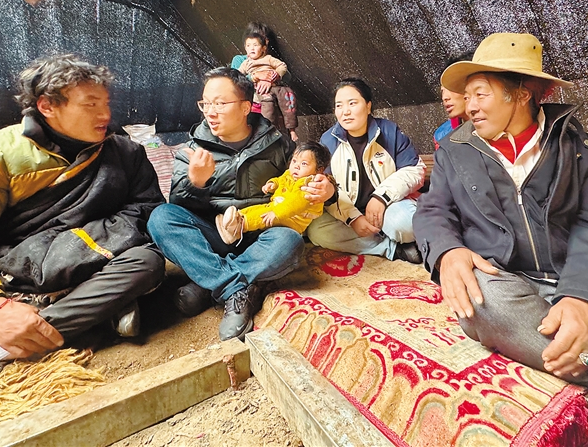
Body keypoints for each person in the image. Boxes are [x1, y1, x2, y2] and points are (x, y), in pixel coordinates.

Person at [414, 32, 588, 446]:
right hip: (504, 281)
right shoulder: (455, 149)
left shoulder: (583, 151)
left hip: (574, 276)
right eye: (467, 97)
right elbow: (434, 210)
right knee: (479, 297)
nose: (470, 107)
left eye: (481, 94)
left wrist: (587, 299)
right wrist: (448, 252)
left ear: (521, 94)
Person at [0, 54, 165, 420]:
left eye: (106, 103)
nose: (105, 114)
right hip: (6, 281)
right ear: (47, 106)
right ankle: (85, 319)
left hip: (89, 267)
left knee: (146, 263)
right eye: (90, 104)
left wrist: (73, 249)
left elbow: (148, 211)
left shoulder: (125, 153)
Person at [147, 68, 335, 341]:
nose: (210, 112)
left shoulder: (275, 143)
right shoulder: (194, 149)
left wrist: (329, 189)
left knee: (290, 241)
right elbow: (179, 207)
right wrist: (196, 182)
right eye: (205, 104)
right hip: (214, 233)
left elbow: (303, 177)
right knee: (161, 218)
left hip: (260, 235)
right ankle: (237, 288)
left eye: (220, 103)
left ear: (246, 107)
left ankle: (208, 282)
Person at [306, 78, 425, 264]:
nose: (345, 111)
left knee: (405, 223)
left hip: (388, 206)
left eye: (352, 103)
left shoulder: (389, 131)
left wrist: (381, 198)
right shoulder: (328, 141)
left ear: (368, 106)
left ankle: (387, 235)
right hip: (349, 211)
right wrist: (352, 218)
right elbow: (328, 190)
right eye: (339, 105)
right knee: (317, 231)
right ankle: (393, 248)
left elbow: (414, 170)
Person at [215, 141, 332, 244]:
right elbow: (281, 179)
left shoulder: (309, 184)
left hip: (293, 219)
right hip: (278, 208)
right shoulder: (290, 174)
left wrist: (276, 213)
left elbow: (296, 204)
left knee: (263, 216)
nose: (296, 166)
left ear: (319, 170)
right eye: (294, 161)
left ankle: (239, 227)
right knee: (258, 208)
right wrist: (273, 184)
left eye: (304, 163)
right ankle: (235, 218)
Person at [231, 22, 299, 141]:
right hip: (254, 106)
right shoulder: (241, 60)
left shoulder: (269, 59)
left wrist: (271, 79)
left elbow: (287, 76)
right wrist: (254, 76)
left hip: (276, 106)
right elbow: (235, 81)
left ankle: (291, 130)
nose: (253, 47)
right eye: (250, 44)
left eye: (264, 39)